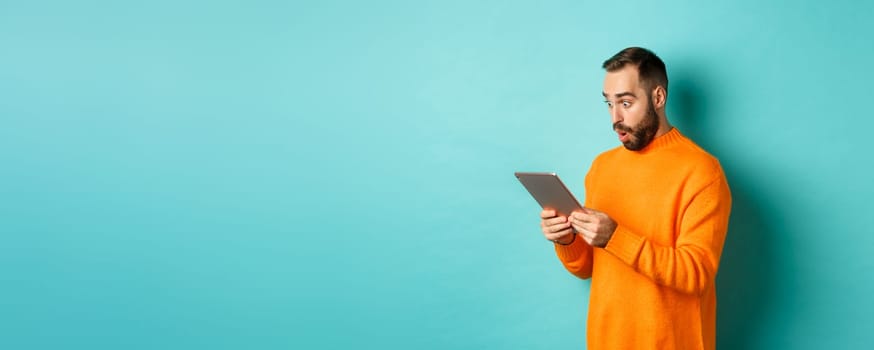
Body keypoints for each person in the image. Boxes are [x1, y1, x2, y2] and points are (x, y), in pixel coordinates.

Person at [539, 47, 732, 349]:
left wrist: (615, 237)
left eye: (626, 103)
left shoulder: (702, 171)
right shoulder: (602, 167)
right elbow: (587, 268)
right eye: (609, 104)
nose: (615, 117)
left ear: (658, 98)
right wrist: (565, 240)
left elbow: (696, 273)